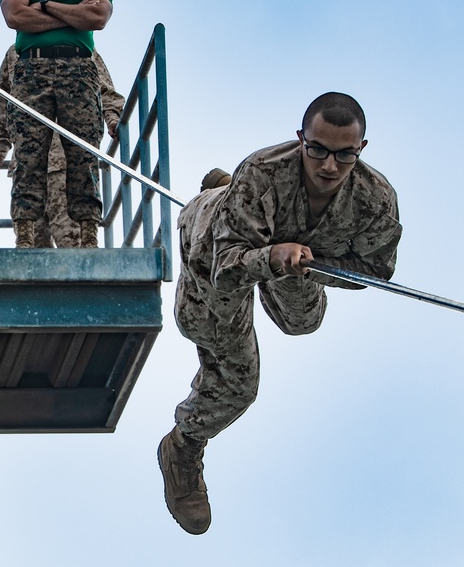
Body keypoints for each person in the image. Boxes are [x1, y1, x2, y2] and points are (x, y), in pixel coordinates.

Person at [158, 92, 402, 535]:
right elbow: (227, 268)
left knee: (302, 321)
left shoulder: (376, 199)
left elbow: (374, 271)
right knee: (237, 382)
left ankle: (242, 207)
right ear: (300, 139)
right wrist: (271, 256)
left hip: (295, 255)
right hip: (217, 247)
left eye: (344, 155)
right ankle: (182, 445)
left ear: (361, 150)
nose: (329, 166)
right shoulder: (264, 171)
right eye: (318, 150)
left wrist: (312, 262)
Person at [0, 0, 113, 249]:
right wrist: (72, 12)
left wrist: (45, 5)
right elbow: (16, 16)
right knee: (29, 155)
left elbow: (98, 17)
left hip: (78, 71)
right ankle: (26, 234)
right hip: (31, 71)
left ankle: (90, 233)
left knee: (83, 154)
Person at [0, 44, 124, 247]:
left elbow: (103, 89)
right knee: (33, 252)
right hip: (28, 167)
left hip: (64, 166)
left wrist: (113, 119)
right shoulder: (16, 52)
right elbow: (6, 102)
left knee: (71, 243)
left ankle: (83, 273)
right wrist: (0, 151)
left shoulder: (76, 45)